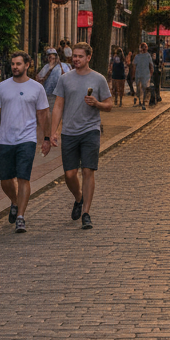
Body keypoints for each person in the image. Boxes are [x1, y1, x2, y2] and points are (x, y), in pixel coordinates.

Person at [49, 41, 112, 229]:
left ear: (88, 57)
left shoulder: (98, 79)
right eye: (74, 56)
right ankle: (78, 197)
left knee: (87, 170)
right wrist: (53, 131)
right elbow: (58, 105)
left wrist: (97, 104)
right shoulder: (65, 79)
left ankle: (86, 213)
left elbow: (109, 105)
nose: (76, 59)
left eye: (80, 56)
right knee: (69, 174)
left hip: (90, 130)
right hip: (69, 131)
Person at [0, 51, 50, 233]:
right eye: (13, 64)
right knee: (5, 179)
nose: (15, 67)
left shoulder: (37, 88)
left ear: (27, 65)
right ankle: (14, 201)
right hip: (6, 139)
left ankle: (20, 217)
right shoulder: (2, 87)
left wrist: (46, 138)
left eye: (18, 64)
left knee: (23, 177)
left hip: (27, 139)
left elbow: (44, 114)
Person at [36, 48, 71, 116]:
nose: (50, 58)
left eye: (52, 56)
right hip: (49, 94)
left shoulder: (63, 66)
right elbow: (38, 78)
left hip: (59, 94)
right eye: (49, 56)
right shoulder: (46, 67)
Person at [133, 42, 153, 109]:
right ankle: (139, 100)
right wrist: (133, 74)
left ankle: (143, 102)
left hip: (146, 74)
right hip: (138, 74)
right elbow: (134, 66)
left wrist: (151, 73)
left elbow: (150, 65)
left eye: (145, 47)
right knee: (138, 89)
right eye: (142, 47)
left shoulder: (148, 56)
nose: (144, 49)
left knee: (144, 88)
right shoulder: (137, 56)